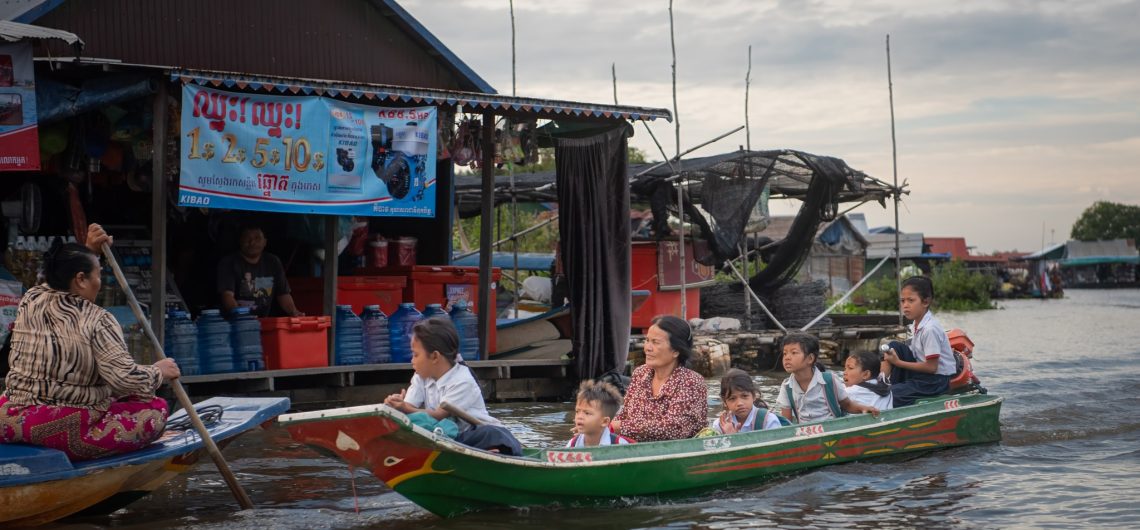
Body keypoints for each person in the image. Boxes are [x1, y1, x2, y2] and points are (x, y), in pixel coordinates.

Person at [0, 224, 180, 461]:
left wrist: (89, 252)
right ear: (81, 279)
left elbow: (54, 277)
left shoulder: (31, 298)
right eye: (98, 274)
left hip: (10, 419)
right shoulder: (98, 319)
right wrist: (158, 371)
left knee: (112, 396)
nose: (100, 281)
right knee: (156, 409)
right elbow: (124, 380)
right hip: (61, 429)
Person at [384, 317, 521, 455]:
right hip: (447, 434)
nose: (412, 360)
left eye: (415, 355)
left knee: (492, 433)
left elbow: (438, 415)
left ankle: (492, 451)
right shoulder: (421, 376)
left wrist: (404, 408)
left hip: (471, 433)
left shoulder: (462, 380)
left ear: (435, 357)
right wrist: (397, 405)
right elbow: (409, 407)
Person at [611, 315, 707, 441]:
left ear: (676, 351)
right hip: (635, 447)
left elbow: (674, 429)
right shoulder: (640, 373)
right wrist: (602, 425)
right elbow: (624, 415)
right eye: (647, 340)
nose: (647, 348)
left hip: (677, 450)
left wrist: (617, 427)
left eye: (655, 342)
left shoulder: (691, 382)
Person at [881, 276, 956, 406]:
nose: (905, 305)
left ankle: (887, 392)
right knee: (893, 346)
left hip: (935, 381)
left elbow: (932, 368)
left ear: (925, 302)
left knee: (890, 395)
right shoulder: (916, 324)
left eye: (911, 300)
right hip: (921, 373)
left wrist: (898, 363)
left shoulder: (930, 329)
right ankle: (879, 382)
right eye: (903, 301)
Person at [776, 332, 878, 424]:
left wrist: (863, 408)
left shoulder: (829, 380)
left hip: (832, 430)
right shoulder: (786, 387)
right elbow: (787, 422)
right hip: (805, 434)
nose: (787, 357)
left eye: (794, 353)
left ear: (810, 358)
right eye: (785, 353)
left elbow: (847, 405)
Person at [217, 225, 302, 317]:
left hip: (263, 321)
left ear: (265, 242)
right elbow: (227, 295)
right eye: (247, 238)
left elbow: (283, 294)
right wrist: (240, 317)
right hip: (234, 321)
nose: (252, 242)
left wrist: (294, 312)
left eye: (257, 238)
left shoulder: (273, 261)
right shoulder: (229, 262)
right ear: (240, 241)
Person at [711, 368, 783, 434]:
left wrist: (733, 437)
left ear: (754, 396)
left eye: (744, 396)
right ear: (725, 402)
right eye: (732, 398)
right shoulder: (720, 426)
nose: (739, 403)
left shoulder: (768, 420)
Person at [566, 379, 634, 448]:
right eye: (577, 411)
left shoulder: (619, 444)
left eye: (587, 413)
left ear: (604, 421)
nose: (579, 417)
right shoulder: (572, 444)